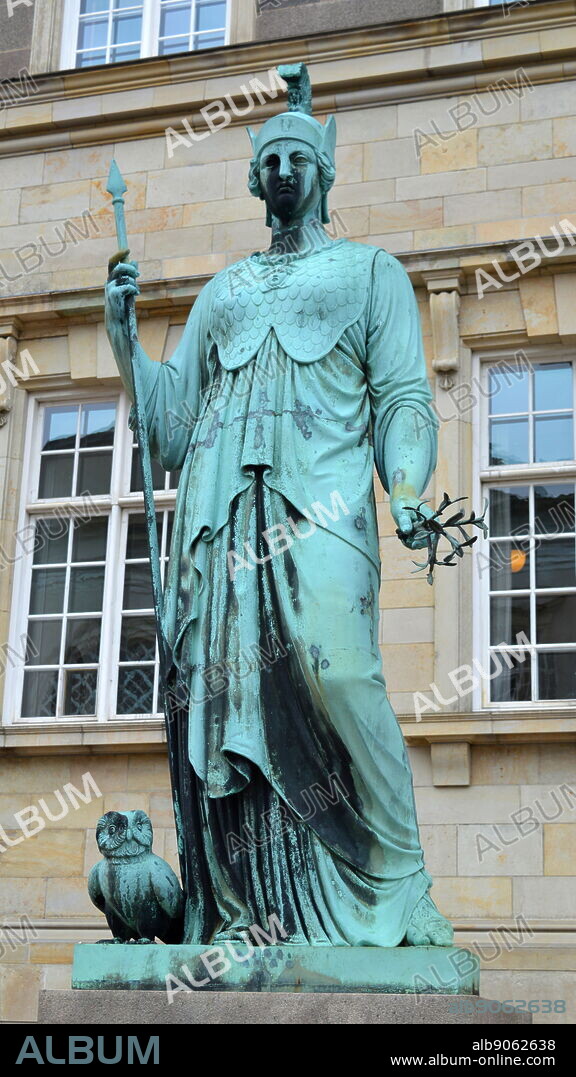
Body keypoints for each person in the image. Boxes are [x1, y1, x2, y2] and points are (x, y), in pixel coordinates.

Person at [105, 63, 453, 948]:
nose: (285, 171)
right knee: (229, 702)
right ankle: (250, 910)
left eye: (300, 159)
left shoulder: (371, 273)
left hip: (323, 507)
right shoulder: (225, 290)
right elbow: (171, 427)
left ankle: (401, 879)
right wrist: (124, 341)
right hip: (222, 521)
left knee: (343, 674)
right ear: (256, 182)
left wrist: (405, 487)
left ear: (324, 175)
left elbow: (404, 399)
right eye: (271, 162)